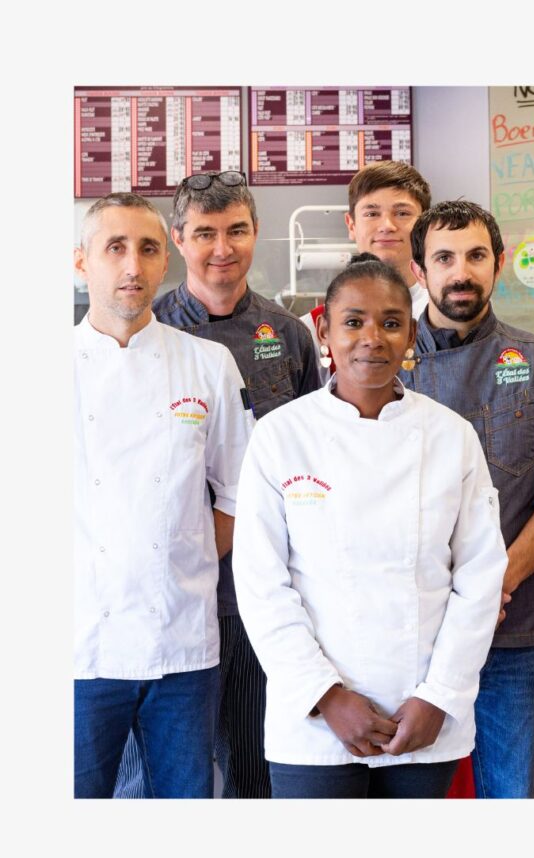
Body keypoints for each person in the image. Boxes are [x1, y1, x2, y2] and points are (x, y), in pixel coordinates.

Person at [231, 254, 508, 799]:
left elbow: (480, 577)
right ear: (324, 332)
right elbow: (261, 584)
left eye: (391, 322)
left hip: (421, 716)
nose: (372, 338)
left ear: (411, 336)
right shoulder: (281, 436)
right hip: (314, 723)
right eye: (353, 322)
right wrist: (326, 696)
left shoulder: (451, 436)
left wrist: (439, 696)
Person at [114, 170, 320, 799]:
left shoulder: (289, 335)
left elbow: (314, 460)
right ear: (179, 239)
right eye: (205, 233)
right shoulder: (143, 331)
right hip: (165, 600)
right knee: (153, 781)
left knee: (257, 772)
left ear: (256, 232)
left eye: (236, 230)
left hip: (263, 594)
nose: (222, 248)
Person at [401, 200, 534, 798]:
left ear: (499, 262)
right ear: (419, 270)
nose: (461, 272)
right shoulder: (383, 366)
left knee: (509, 798)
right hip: (406, 633)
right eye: (444, 258)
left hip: (512, 631)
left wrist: (493, 584)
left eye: (476, 256)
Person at [73, 192, 253, 798]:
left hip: (181, 641)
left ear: (164, 261)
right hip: (77, 643)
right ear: (81, 261)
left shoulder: (209, 364)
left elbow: (239, 493)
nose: (133, 265)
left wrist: (182, 558)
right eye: (114, 248)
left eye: (148, 248)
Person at [302, 160, 432, 382]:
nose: (387, 225)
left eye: (402, 213)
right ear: (351, 225)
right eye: (372, 214)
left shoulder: (444, 315)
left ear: (425, 225)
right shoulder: (312, 328)